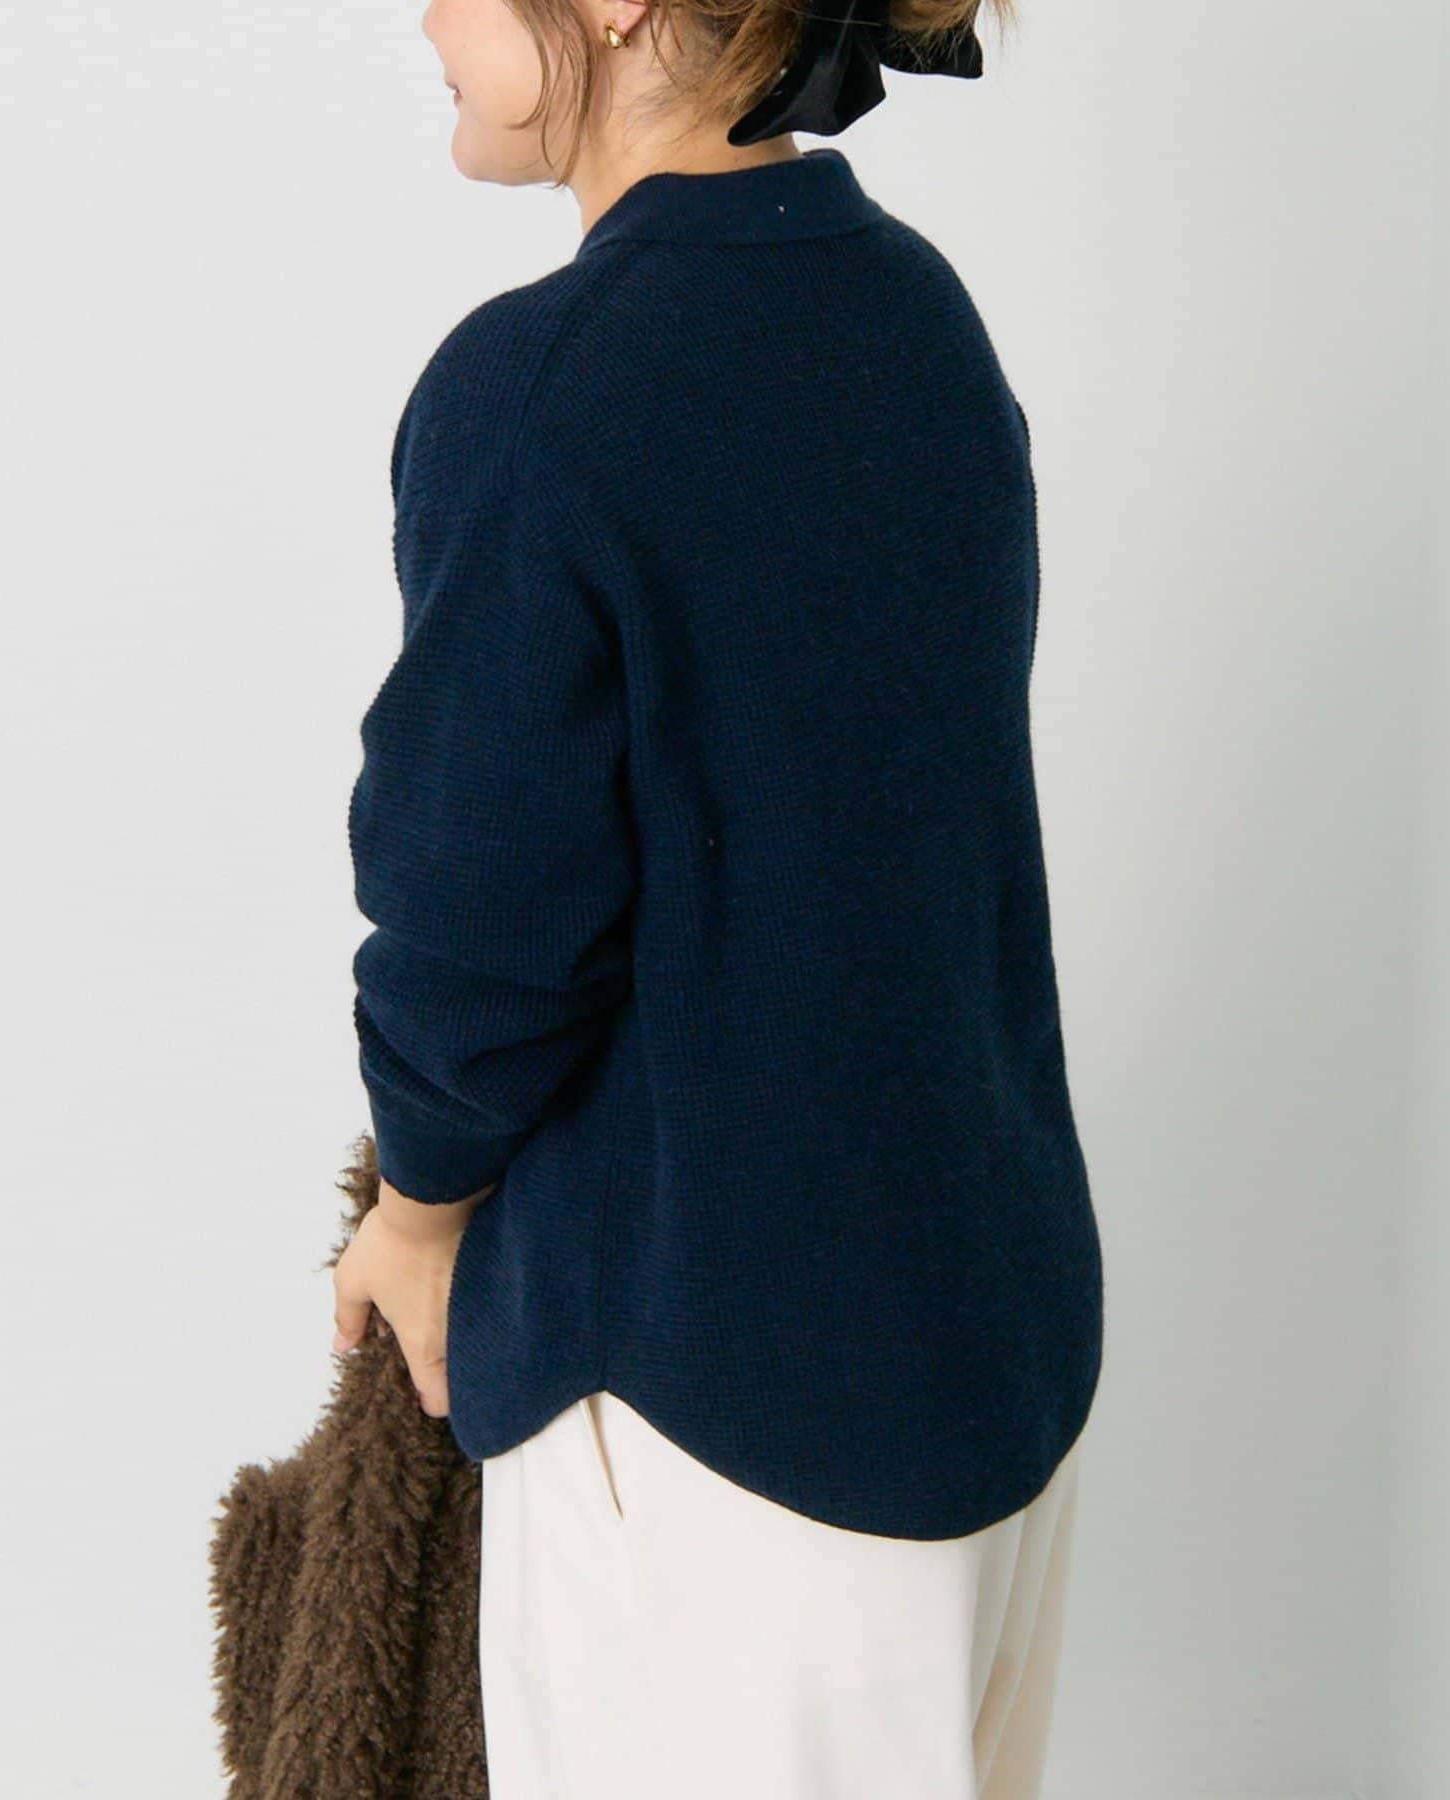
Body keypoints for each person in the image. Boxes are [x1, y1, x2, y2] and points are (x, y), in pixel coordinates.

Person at [330, 0, 1105, 1787]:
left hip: (715, 1422)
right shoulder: (913, 310)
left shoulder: (545, 385)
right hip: (983, 1351)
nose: (417, 14)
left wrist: (419, 1213)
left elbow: (477, 918)